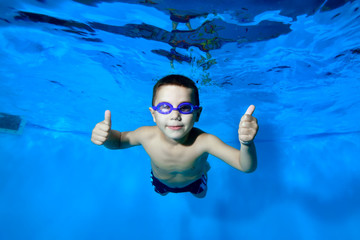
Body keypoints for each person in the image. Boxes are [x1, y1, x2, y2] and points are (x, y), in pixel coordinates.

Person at [91, 75, 258, 198]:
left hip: (194, 182)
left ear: (197, 114)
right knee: (161, 194)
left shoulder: (205, 141)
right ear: (153, 114)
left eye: (184, 108)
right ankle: (202, 166)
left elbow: (245, 166)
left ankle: (203, 170)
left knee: (201, 196)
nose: (175, 115)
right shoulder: (146, 135)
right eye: (165, 107)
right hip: (160, 181)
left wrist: (246, 144)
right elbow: (119, 140)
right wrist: (107, 137)